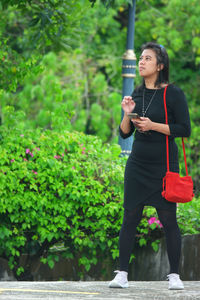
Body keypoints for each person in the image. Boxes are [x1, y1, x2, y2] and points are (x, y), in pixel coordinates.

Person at [109, 42, 191, 290]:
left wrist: (153, 125)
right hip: (137, 164)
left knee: (169, 220)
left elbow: (184, 129)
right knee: (130, 217)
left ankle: (174, 275)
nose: (141, 62)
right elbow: (124, 134)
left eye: (147, 58)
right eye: (141, 58)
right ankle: (122, 274)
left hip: (164, 165)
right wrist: (127, 113)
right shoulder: (136, 93)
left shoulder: (173, 93)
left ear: (160, 65)